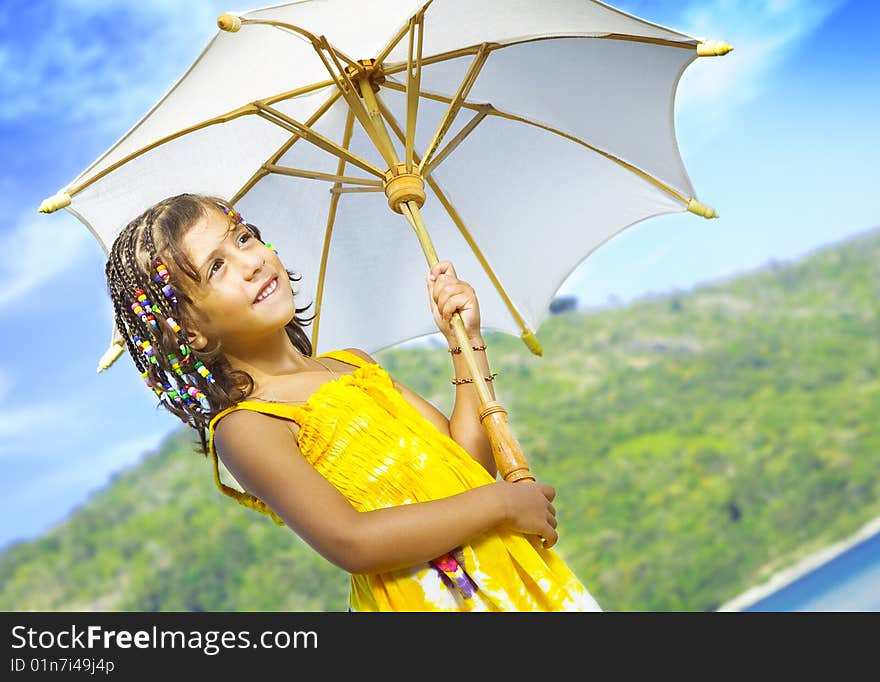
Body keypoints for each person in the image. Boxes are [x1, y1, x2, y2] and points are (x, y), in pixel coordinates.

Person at [105, 192, 603, 612]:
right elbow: (353, 541)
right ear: (188, 330)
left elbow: (465, 462)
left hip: (518, 579)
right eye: (217, 267)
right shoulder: (249, 425)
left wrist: (464, 342)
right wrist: (498, 504)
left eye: (243, 237)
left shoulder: (352, 365)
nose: (252, 261)